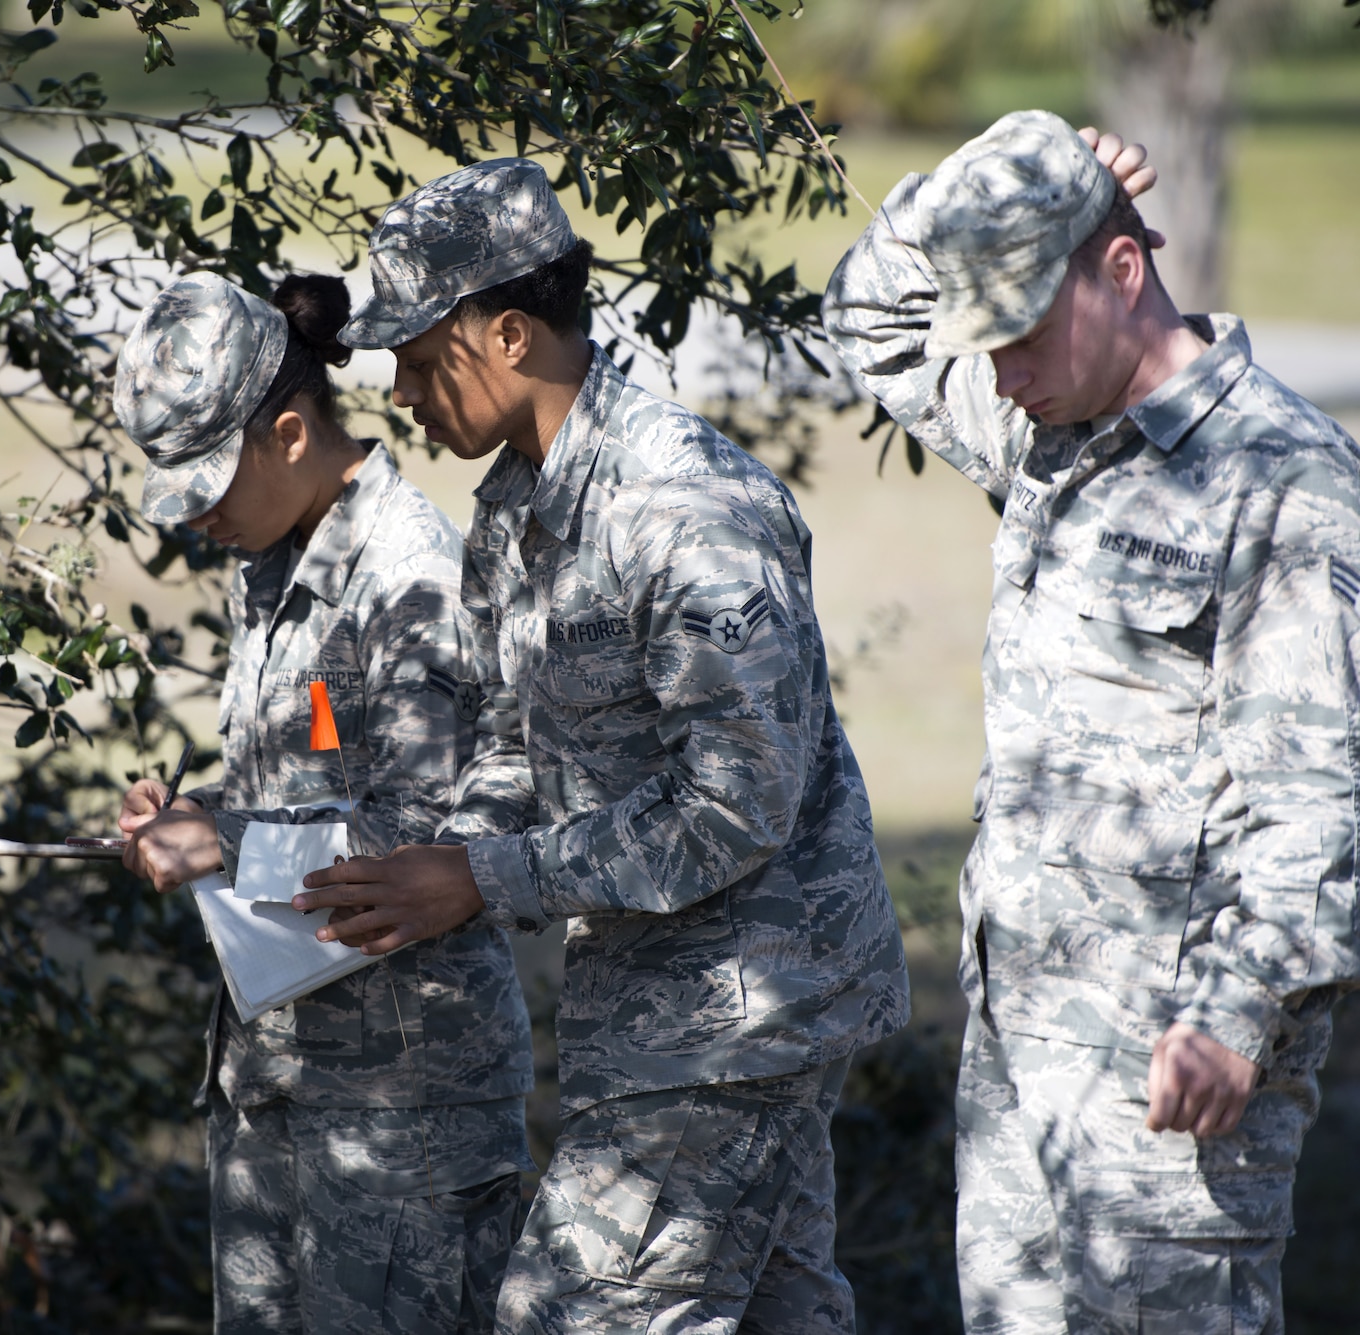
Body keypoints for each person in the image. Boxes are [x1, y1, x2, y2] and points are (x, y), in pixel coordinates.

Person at [294, 158, 910, 1333]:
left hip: (745, 1012)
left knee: (569, 1315)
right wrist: (438, 862)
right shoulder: (517, 507)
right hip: (672, 1010)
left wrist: (480, 878)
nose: (406, 400)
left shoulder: (681, 508)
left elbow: (734, 803)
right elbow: (521, 739)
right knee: (779, 1309)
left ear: (510, 336)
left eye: (423, 366)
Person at [821, 110, 1360, 1333]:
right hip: (1018, 1055)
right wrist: (999, 176)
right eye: (986, 340)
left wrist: (1233, 1019)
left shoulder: (1281, 480)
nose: (997, 368)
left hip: (1167, 1080)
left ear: (1123, 272)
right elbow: (863, 317)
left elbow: (1317, 797)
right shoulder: (1043, 431)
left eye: (1018, 331)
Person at [112, 271, 537, 1335]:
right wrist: (194, 810)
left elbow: (435, 844)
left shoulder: (407, 579)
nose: (197, 516)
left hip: (401, 1113)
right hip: (277, 1083)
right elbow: (307, 781)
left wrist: (220, 839)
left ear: (290, 433)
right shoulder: (270, 559)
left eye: (210, 480)